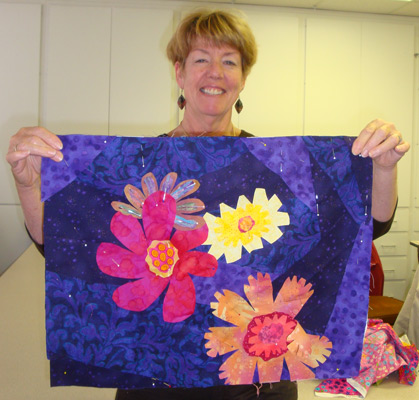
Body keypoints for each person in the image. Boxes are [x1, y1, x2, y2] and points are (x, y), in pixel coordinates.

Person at [5, 8, 410, 400]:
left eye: (229, 61)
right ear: (179, 73)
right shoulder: (136, 168)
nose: (215, 72)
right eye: (201, 58)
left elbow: (364, 224)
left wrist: (384, 168)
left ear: (243, 78)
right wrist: (28, 184)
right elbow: (59, 241)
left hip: (257, 381)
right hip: (155, 383)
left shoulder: (280, 168)